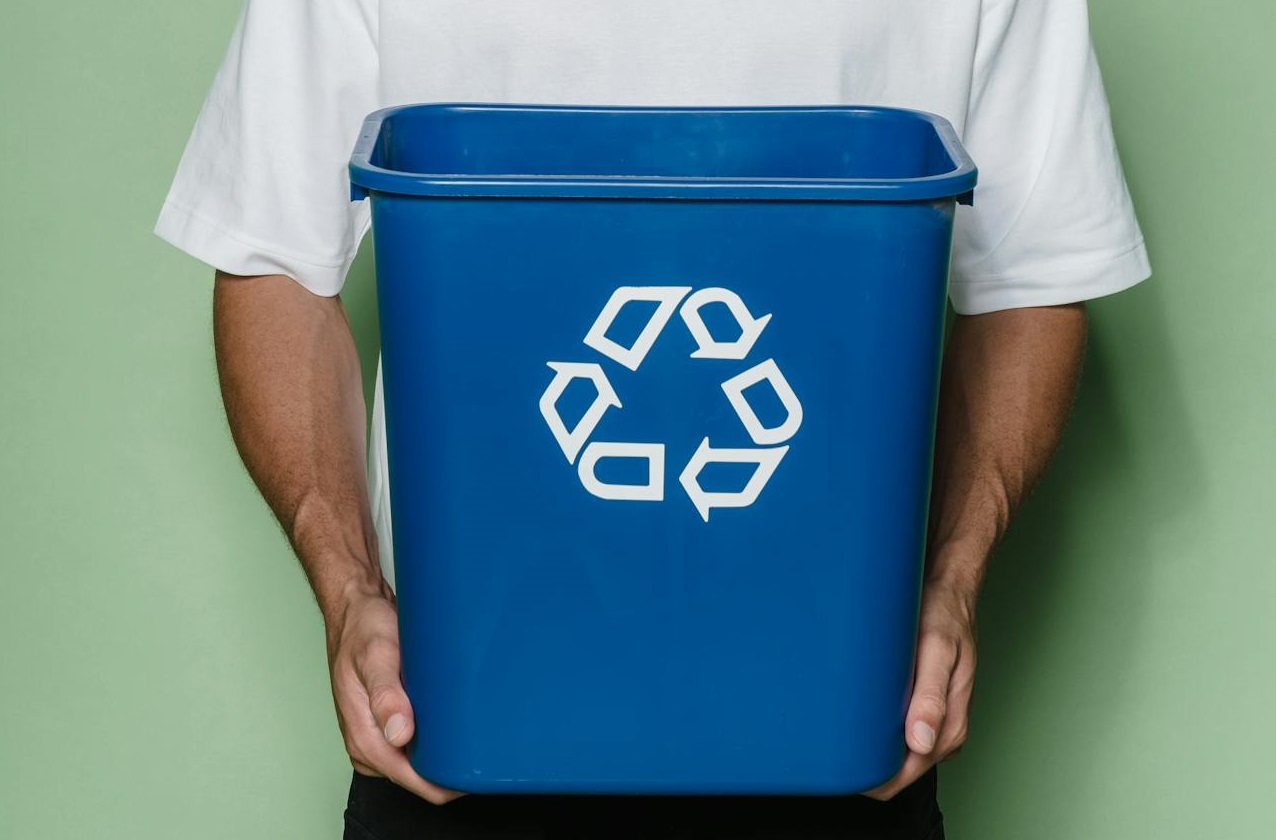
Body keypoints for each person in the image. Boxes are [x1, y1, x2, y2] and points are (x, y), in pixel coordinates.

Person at [156, 1, 1150, 837]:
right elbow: (271, 253)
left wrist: (953, 577)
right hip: (462, 718)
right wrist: (347, 592)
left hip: (832, 721)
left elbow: (1033, 273)